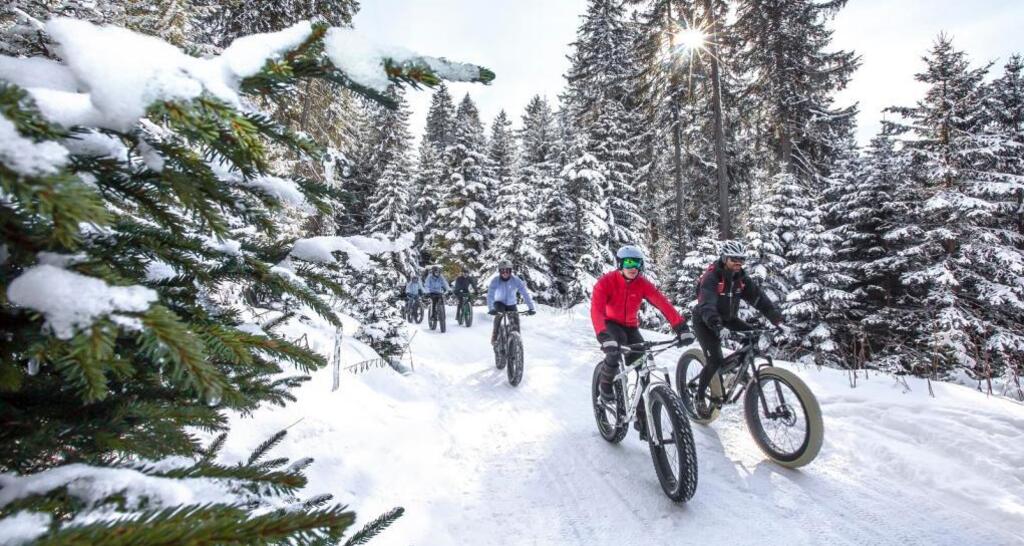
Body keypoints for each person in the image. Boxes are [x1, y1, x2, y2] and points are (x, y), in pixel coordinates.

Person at [591, 245, 694, 439]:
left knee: (643, 365)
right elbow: (596, 310)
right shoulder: (605, 283)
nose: (633, 267)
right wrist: (603, 336)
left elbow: (662, 303)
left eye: (637, 263)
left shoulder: (642, 284)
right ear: (620, 264)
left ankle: (642, 417)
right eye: (628, 262)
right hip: (610, 324)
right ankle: (604, 387)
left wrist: (680, 327)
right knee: (613, 351)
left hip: (630, 327)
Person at [692, 240, 784, 418]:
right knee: (715, 360)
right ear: (725, 258)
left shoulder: (740, 279)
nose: (738, 263)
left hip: (728, 318)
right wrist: (716, 324)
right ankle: (699, 397)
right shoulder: (711, 277)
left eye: (741, 260)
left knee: (752, 337)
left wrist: (776, 319)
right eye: (734, 259)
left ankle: (737, 370)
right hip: (705, 320)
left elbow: (759, 299)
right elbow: (707, 303)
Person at [487, 261, 536, 344]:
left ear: (511, 271)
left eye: (507, 271)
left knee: (516, 323)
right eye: (503, 271)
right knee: (499, 316)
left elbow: (525, 293)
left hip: (511, 304)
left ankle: (517, 342)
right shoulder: (495, 280)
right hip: (499, 303)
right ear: (500, 271)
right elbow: (490, 295)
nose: (505, 273)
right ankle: (495, 335)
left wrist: (531, 308)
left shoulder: (516, 280)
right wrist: (491, 308)